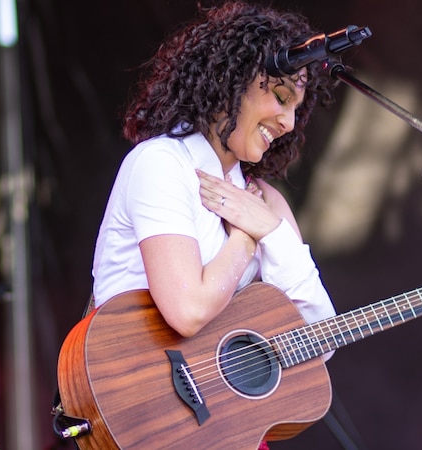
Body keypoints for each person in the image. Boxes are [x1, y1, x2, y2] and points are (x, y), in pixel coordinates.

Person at [91, 1, 337, 338]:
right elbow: (188, 311)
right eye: (281, 98)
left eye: (297, 109)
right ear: (230, 80)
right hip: (132, 382)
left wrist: (272, 231)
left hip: (214, 391)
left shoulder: (266, 202)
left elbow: (323, 340)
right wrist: (246, 239)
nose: (289, 124)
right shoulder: (162, 163)